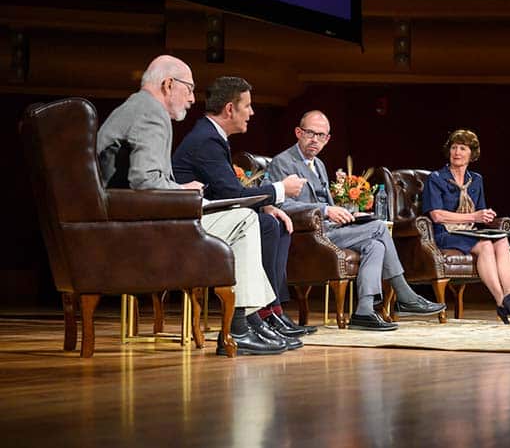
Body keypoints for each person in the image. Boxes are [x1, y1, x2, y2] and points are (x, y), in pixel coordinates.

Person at [96, 54, 287, 355]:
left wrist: (179, 188)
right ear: (168, 84)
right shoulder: (150, 113)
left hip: (134, 219)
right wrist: (184, 192)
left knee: (243, 219)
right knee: (245, 220)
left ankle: (248, 321)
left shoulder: (135, 108)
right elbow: (145, 182)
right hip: (143, 227)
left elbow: (145, 178)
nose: (191, 99)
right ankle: (243, 324)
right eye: (188, 89)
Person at [267, 110, 447, 331]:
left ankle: (364, 310)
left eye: (321, 135)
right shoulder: (283, 162)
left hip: (330, 229)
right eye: (310, 133)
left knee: (375, 245)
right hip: (308, 235)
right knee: (379, 228)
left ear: (328, 139)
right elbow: (280, 206)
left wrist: (348, 213)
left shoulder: (319, 164)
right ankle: (404, 294)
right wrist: (325, 210)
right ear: (298, 132)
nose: (315, 140)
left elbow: (330, 205)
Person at [172, 76, 317, 342]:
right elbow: (233, 194)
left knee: (272, 222)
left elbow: (224, 193)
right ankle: (250, 318)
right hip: (188, 228)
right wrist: (281, 189)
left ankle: (268, 311)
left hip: (210, 218)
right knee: (260, 223)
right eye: (247, 106)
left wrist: (267, 205)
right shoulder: (206, 139)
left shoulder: (212, 135)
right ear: (230, 108)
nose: (251, 113)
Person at [422, 129, 510, 324]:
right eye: (454, 147)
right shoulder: (436, 178)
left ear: (472, 154)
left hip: (470, 231)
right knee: (484, 245)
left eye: (463, 148)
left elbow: (480, 212)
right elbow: (436, 215)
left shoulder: (476, 180)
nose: (457, 152)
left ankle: (509, 291)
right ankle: (502, 301)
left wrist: (486, 216)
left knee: (501, 238)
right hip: (445, 233)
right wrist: (473, 215)